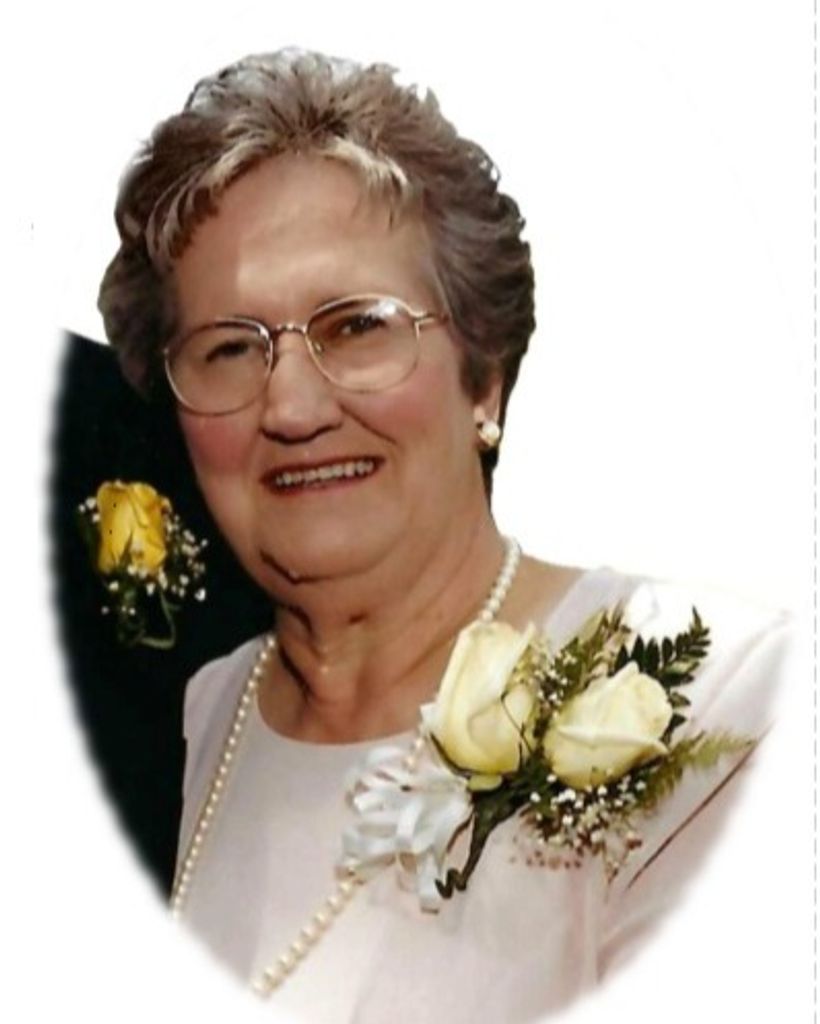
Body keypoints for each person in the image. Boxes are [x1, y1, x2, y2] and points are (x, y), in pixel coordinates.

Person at [97, 48, 791, 1023]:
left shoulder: (724, 696)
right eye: (228, 348)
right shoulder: (191, 715)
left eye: (356, 327)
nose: (291, 406)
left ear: (485, 378)